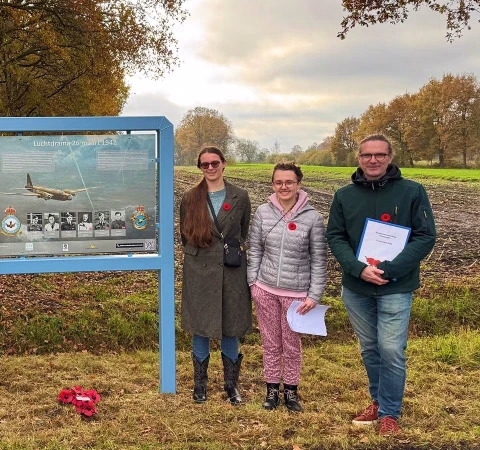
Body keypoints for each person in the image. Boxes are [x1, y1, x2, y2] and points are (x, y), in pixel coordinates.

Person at [326, 134, 436, 435]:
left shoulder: (412, 191)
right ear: (358, 158)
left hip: (395, 286)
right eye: (366, 155)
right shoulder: (344, 196)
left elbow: (425, 236)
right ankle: (377, 401)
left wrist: (389, 269)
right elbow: (335, 236)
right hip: (356, 287)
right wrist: (357, 268)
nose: (372, 160)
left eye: (379, 155)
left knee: (391, 349)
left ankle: (390, 413)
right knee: (371, 348)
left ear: (390, 157)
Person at [247, 162, 327, 412]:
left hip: (297, 296)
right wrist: (253, 283)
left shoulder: (313, 217)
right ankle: (271, 389)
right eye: (279, 182)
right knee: (270, 343)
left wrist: (314, 294)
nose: (284, 186)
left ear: (298, 184)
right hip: (266, 290)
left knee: (291, 345)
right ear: (273, 184)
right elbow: (255, 248)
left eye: (289, 182)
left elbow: (319, 258)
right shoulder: (263, 212)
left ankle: (291, 391)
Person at [180, 146, 251, 405]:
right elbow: (184, 234)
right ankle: (200, 386)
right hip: (199, 270)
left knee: (230, 326)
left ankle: (231, 386)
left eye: (214, 163)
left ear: (224, 164)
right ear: (199, 167)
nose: (210, 168)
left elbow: (242, 232)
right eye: (204, 164)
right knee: (200, 327)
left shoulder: (240, 196)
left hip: (231, 271)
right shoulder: (190, 198)